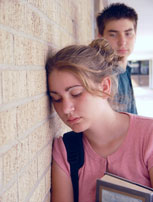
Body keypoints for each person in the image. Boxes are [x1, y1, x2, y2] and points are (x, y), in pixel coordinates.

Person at [46, 38, 153, 202]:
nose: (66, 109)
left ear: (104, 87)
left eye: (76, 94)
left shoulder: (148, 135)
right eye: (57, 99)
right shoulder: (65, 149)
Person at [97, 3, 138, 114]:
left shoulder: (125, 69)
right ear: (100, 36)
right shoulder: (104, 74)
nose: (122, 42)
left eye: (128, 34)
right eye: (113, 34)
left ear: (135, 35)